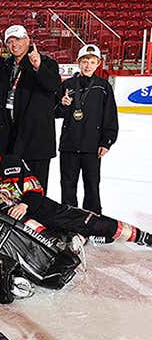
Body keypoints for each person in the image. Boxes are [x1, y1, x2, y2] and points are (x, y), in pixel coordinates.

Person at [0, 132, 151, 247]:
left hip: (36, 207)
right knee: (47, 240)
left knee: (88, 221)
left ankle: (141, 237)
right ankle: (75, 238)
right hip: (12, 220)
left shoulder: (12, 162)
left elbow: (35, 188)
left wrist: (24, 204)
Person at [0, 25, 60, 193]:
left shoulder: (46, 62)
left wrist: (38, 67)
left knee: (37, 188)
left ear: (27, 40)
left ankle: (36, 217)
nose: (14, 45)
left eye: (17, 40)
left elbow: (53, 86)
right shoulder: (6, 65)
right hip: (12, 138)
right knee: (14, 188)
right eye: (9, 41)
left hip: (37, 141)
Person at [57, 44, 118, 214]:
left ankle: (93, 221)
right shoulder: (68, 84)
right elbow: (54, 112)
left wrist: (107, 141)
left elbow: (110, 116)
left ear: (98, 63)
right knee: (68, 185)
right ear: (78, 62)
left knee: (92, 185)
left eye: (92, 62)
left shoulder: (103, 86)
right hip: (69, 144)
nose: (88, 65)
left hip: (92, 146)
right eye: (84, 61)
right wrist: (62, 105)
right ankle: (69, 219)